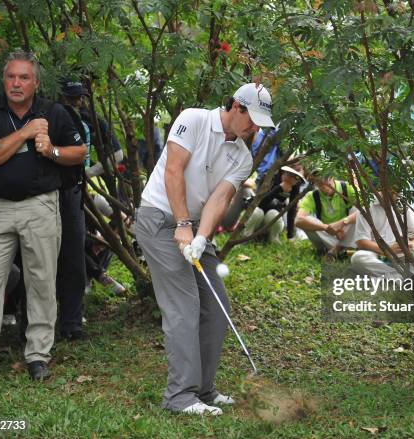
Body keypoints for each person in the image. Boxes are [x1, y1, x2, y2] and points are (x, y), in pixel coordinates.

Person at [135, 82, 274, 416]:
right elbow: (173, 170)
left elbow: (220, 198)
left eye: (260, 124)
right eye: (252, 119)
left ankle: (204, 390)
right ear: (236, 107)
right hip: (159, 219)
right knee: (184, 306)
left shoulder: (242, 155)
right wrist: (183, 224)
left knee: (216, 305)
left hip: (194, 226)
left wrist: (201, 237)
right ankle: (179, 396)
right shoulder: (193, 119)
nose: (254, 128)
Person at [0, 51, 87, 384]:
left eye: (24, 77)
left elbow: (80, 153)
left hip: (39, 205)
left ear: (36, 82)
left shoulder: (54, 112)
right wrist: (27, 132)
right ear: (4, 80)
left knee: (41, 281)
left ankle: (38, 354)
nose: (16, 83)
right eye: (11, 77)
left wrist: (51, 151)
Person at [55, 81, 90, 341]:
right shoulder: (45, 112)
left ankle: (71, 322)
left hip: (69, 192)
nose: (76, 101)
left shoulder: (80, 119)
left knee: (73, 260)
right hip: (44, 194)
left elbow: (81, 154)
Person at [350, 194, 414, 279]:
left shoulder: (404, 206)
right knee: (358, 258)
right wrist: (388, 249)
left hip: (404, 255)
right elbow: (361, 241)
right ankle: (404, 276)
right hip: (378, 255)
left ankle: (393, 276)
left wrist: (412, 246)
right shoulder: (367, 207)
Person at [295, 171, 358, 257]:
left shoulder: (347, 188)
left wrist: (341, 223)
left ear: (333, 176)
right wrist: (326, 228)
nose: (323, 183)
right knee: (307, 219)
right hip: (327, 237)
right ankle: (341, 250)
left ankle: (338, 249)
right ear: (314, 181)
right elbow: (298, 220)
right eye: (318, 180)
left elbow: (368, 209)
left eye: (325, 178)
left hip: (346, 234)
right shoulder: (312, 196)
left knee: (358, 211)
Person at [241, 165, 306, 243]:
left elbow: (291, 210)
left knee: (274, 214)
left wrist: (290, 236)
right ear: (284, 172)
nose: (293, 179)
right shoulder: (270, 177)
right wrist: (279, 188)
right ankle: (245, 237)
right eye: (290, 174)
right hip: (256, 215)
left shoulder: (295, 186)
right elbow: (259, 203)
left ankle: (271, 239)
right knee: (258, 212)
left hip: (270, 219)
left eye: (297, 178)